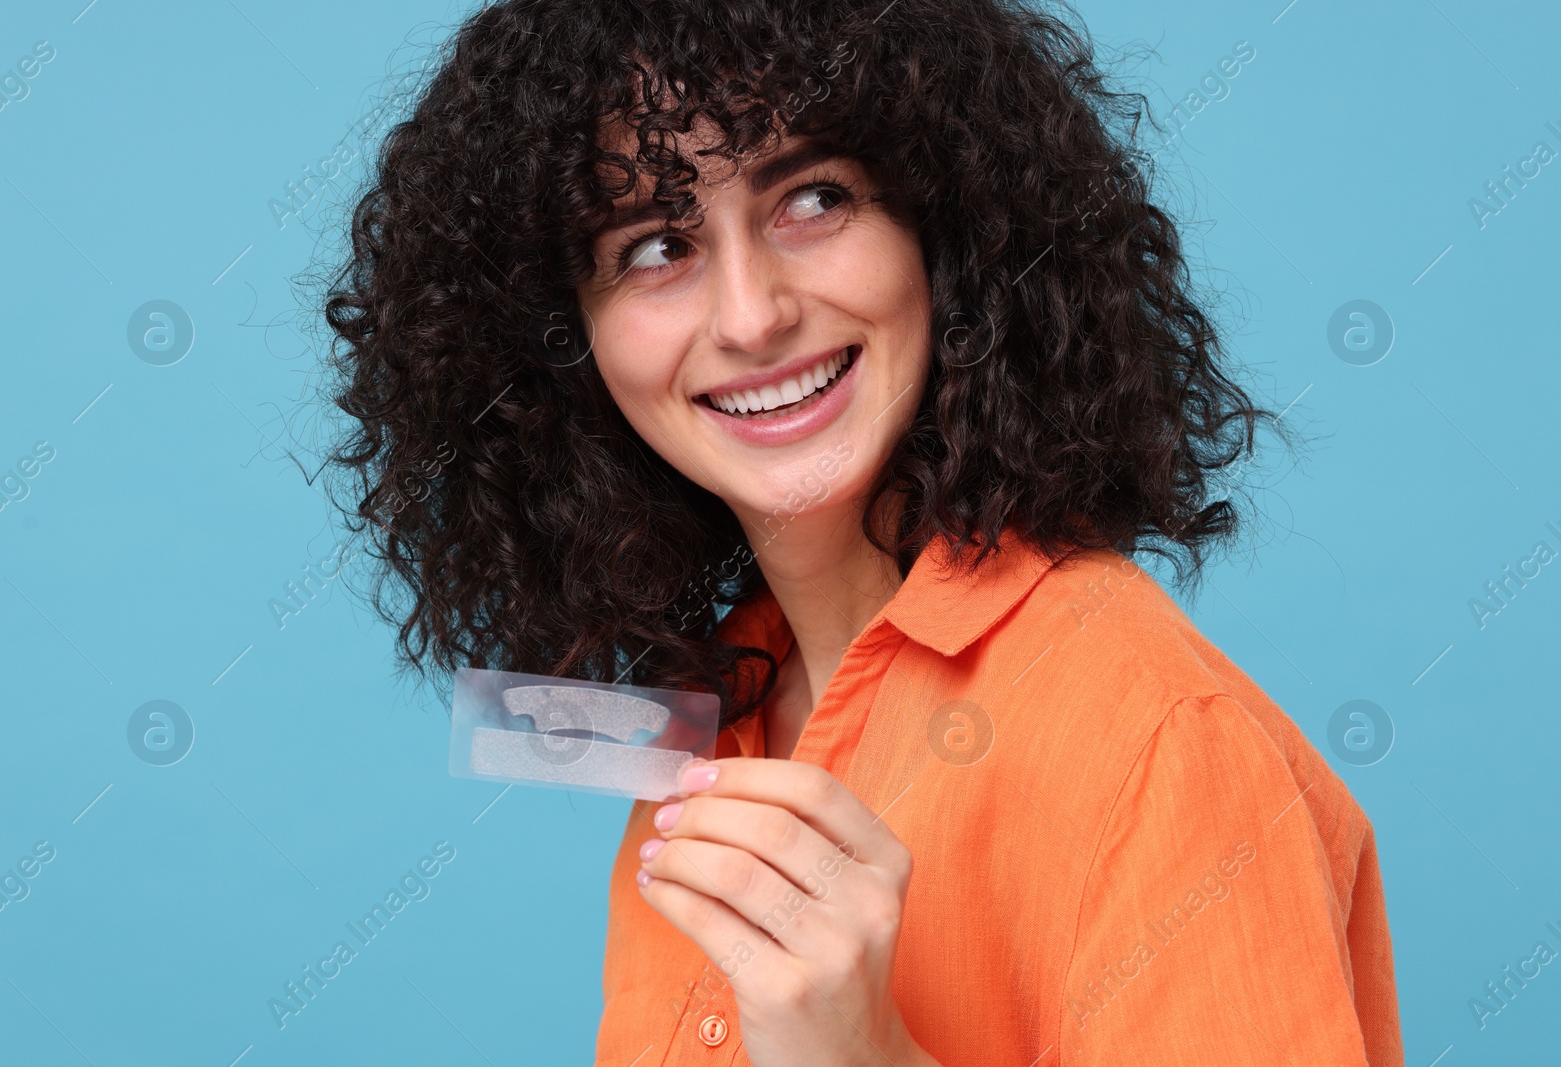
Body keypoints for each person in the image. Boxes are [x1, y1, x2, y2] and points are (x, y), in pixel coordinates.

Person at [320, 0, 1405, 1063]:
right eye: (653, 245)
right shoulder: (716, 727)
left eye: (814, 197)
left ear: (951, 225)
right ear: (563, 346)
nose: (751, 317)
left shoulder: (1162, 743)